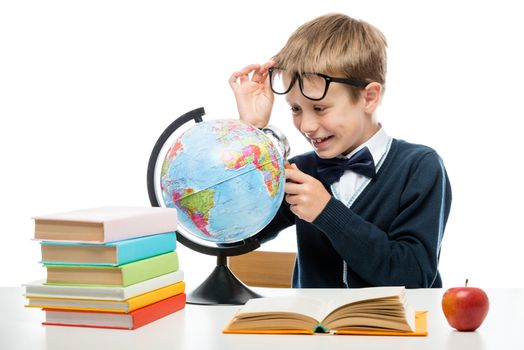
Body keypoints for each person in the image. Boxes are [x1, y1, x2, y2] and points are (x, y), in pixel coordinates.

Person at [229, 13, 452, 288]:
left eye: (320, 108)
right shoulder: (300, 172)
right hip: (316, 329)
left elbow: (414, 276)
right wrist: (251, 132)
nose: (307, 126)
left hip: (396, 330)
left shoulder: (420, 166)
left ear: (369, 97)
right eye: (296, 109)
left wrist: (327, 212)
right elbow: (234, 235)